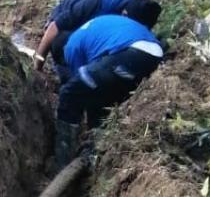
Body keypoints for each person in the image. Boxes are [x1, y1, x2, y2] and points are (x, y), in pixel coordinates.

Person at [53, 14, 164, 168]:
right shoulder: (91, 33)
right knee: (99, 93)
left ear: (62, 53)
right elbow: (92, 89)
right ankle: (97, 148)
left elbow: (77, 87)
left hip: (132, 54)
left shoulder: (70, 46)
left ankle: (63, 160)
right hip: (151, 57)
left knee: (69, 93)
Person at [34, 0, 162, 76]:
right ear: (124, 14)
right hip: (66, 31)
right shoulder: (95, 1)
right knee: (62, 44)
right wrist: (37, 67)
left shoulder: (138, 8)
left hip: (92, 34)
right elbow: (53, 28)